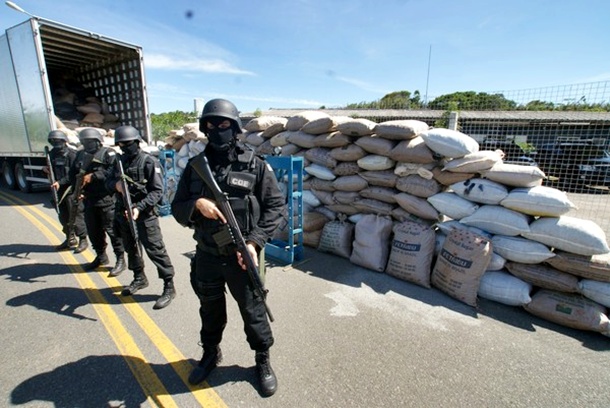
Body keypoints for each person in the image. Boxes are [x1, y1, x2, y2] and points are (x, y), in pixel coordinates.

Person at [171, 99, 286, 397]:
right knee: (209, 308)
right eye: (211, 125)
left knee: (253, 310)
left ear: (234, 128)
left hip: (241, 254)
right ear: (204, 129)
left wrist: (254, 242)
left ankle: (262, 360)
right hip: (208, 253)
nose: (217, 130)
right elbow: (176, 206)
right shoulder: (196, 168)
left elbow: (276, 207)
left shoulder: (254, 164)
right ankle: (210, 354)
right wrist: (197, 204)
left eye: (224, 125)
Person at [105, 125, 177, 310]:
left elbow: (157, 191)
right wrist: (116, 186)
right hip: (123, 213)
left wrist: (139, 207)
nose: (124, 147)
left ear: (137, 142)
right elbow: (107, 181)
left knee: (156, 250)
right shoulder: (118, 162)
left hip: (145, 216)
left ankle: (169, 286)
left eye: (127, 144)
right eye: (121, 145)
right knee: (131, 248)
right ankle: (139, 277)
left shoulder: (148, 162)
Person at [70, 128, 125, 275]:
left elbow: (115, 173)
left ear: (97, 141)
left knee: (113, 232)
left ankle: (120, 258)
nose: (88, 144)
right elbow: (74, 174)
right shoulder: (81, 155)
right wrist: (78, 190)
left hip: (107, 199)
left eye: (90, 141)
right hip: (89, 200)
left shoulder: (108, 154)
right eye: (85, 142)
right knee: (94, 231)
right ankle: (101, 256)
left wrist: (94, 176)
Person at [46, 130, 88, 253]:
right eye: (53, 141)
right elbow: (51, 170)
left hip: (71, 190)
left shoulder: (72, 155)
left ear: (64, 141)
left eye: (57, 141)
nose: (55, 143)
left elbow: (74, 174)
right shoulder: (52, 154)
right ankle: (69, 238)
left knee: (76, 216)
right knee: (63, 216)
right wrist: (45, 170)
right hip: (58, 191)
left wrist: (60, 182)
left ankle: (83, 239)